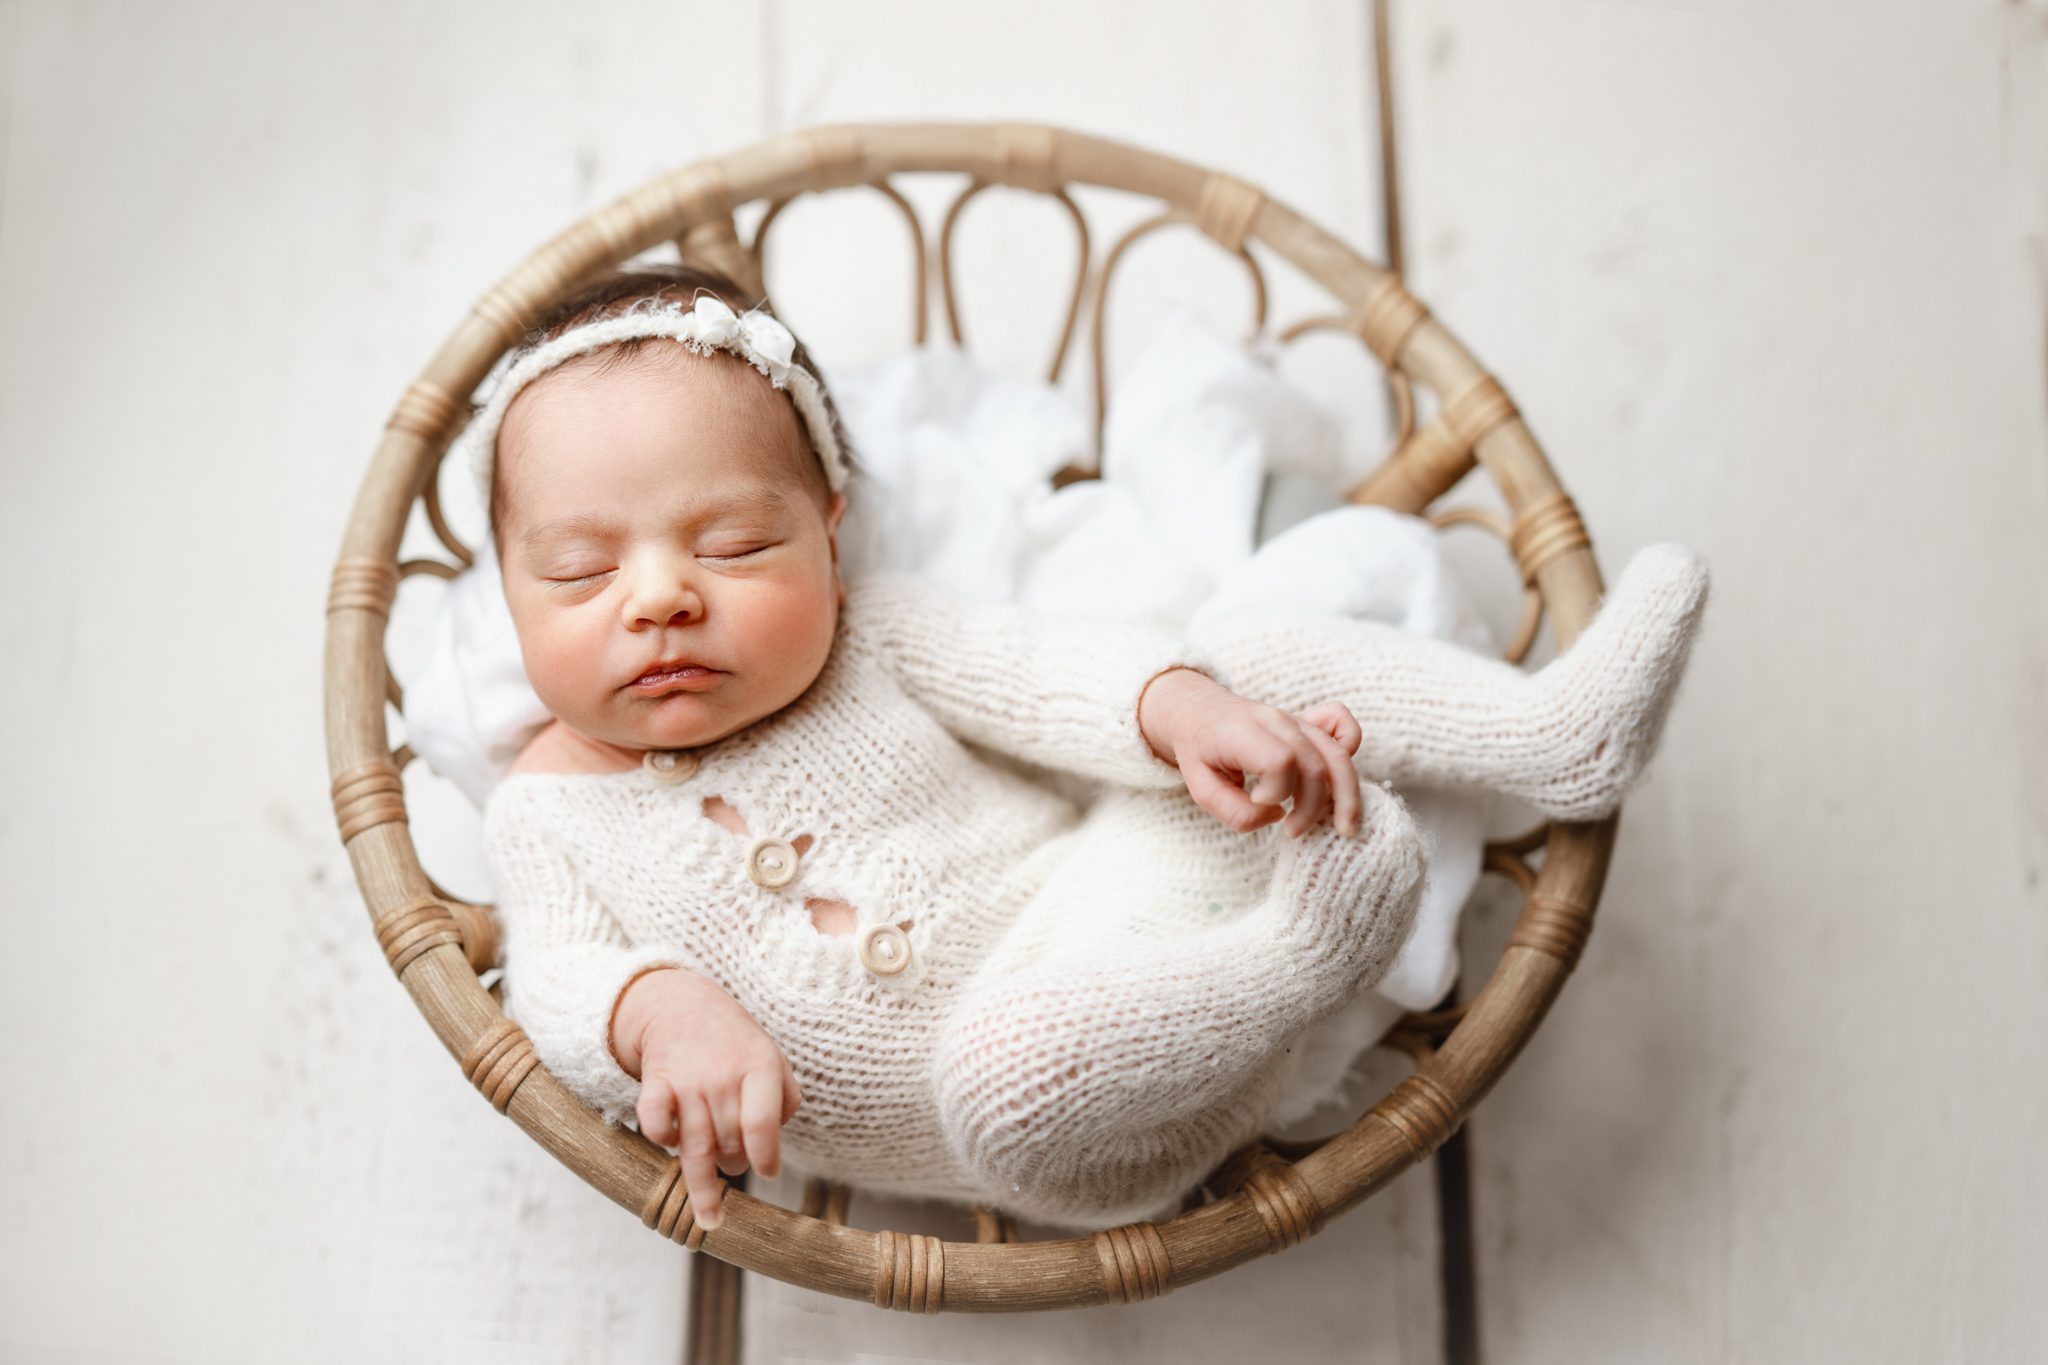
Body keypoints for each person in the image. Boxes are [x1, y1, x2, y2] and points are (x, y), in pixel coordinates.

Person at [468, 261, 1710, 1232]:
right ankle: (1314, 945)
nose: (658, 599)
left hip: (1113, 890)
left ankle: (1552, 734)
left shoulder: (873, 636)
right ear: (514, 597)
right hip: (1084, 1113)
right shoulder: (545, 810)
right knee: (1003, 1072)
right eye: (578, 572)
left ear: (829, 536)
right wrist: (657, 1011)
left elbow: (1046, 676)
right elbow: (557, 984)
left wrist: (1180, 711)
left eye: (733, 546)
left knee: (1232, 651)